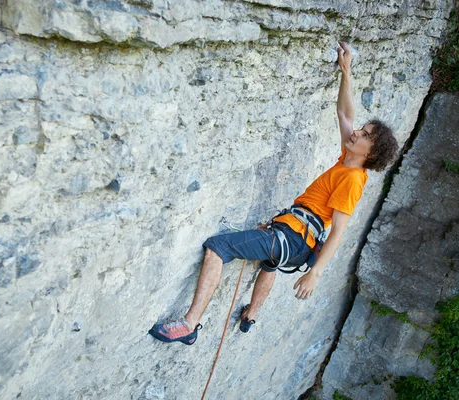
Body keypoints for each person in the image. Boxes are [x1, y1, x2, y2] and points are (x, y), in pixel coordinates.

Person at [148, 41, 399, 345]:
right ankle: (250, 315)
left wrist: (315, 274)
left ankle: (189, 325)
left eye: (366, 135)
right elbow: (345, 115)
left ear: (371, 153)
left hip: (294, 236)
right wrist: (346, 71)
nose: (357, 132)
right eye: (362, 128)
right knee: (270, 260)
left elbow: (339, 232)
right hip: (295, 238)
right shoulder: (347, 158)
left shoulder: (352, 179)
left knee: (218, 247)